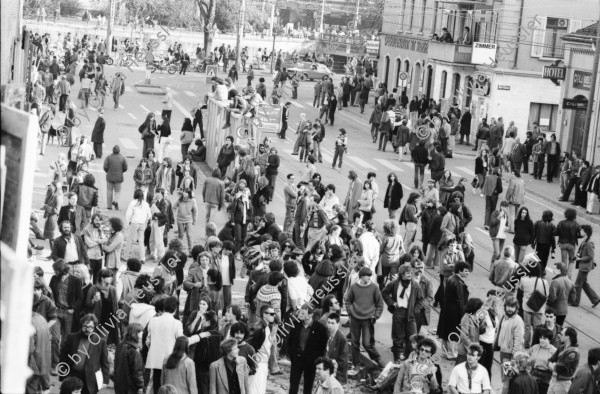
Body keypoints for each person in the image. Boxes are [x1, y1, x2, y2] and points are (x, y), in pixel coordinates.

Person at [344, 267, 386, 371]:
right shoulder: (354, 287)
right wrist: (350, 312)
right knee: (354, 343)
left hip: (367, 320)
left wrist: (375, 315)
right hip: (355, 319)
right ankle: (356, 364)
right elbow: (348, 301)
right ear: (362, 276)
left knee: (367, 343)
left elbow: (380, 304)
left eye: (370, 276)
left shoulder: (374, 287)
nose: (370, 278)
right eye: (368, 276)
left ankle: (378, 358)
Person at [382, 264, 424, 362]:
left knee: (413, 336)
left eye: (410, 273)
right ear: (401, 275)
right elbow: (384, 292)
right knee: (397, 336)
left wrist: (415, 310)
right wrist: (391, 303)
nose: (410, 275)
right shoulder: (394, 284)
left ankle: (408, 357)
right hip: (398, 311)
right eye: (407, 273)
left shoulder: (415, 285)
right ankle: (397, 357)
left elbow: (421, 299)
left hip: (410, 313)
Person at [59, 314, 110, 394]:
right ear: (81, 325)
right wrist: (62, 374)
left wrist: (105, 380)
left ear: (95, 327)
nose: (87, 329)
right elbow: (63, 357)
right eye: (85, 326)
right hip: (73, 375)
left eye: (90, 327)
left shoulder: (100, 342)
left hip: (90, 379)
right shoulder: (71, 337)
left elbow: (105, 362)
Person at [287, 304, 329, 394]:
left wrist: (317, 361)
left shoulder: (320, 329)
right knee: (293, 388)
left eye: (303, 313)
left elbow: (323, 347)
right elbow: (290, 342)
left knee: (308, 388)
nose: (300, 315)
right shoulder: (295, 324)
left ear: (310, 315)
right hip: (296, 360)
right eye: (300, 312)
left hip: (311, 362)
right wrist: (292, 355)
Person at [438, 261, 470, 361]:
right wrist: (463, 315)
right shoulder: (458, 283)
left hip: (447, 310)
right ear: (459, 271)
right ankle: (452, 353)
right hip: (455, 312)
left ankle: (444, 352)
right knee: (453, 333)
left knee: (445, 331)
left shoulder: (451, 278)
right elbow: (460, 301)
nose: (467, 273)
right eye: (465, 271)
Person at [495, 295, 525, 394]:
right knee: (505, 378)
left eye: (512, 306)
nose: (510, 308)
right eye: (508, 306)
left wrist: (514, 358)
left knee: (507, 380)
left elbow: (518, 341)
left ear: (516, 308)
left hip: (510, 355)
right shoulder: (504, 317)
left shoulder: (517, 320)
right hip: (503, 353)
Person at [247, 305, 279, 393]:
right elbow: (249, 345)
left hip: (264, 364)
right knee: (254, 390)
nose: (274, 316)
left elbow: (278, 320)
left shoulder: (267, 327)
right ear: (265, 315)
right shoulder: (258, 327)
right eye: (272, 314)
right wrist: (252, 362)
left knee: (260, 389)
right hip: (258, 364)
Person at [572, 224, 600, 307]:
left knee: (578, 284)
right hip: (584, 266)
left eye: (581, 230)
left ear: (585, 232)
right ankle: (595, 299)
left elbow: (590, 256)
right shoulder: (585, 241)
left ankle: (576, 302)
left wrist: (580, 259)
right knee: (584, 283)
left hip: (585, 267)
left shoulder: (588, 243)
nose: (580, 231)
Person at [547, 327, 580, 394]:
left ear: (567, 337)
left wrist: (553, 366)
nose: (559, 336)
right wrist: (550, 364)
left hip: (563, 383)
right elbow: (550, 360)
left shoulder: (574, 352)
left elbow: (563, 368)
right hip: (553, 380)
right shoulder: (562, 347)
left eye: (562, 334)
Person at [113, 323, 145, 394]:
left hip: (119, 386)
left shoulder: (120, 346)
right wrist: (141, 386)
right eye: (141, 332)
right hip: (131, 387)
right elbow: (137, 371)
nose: (142, 334)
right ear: (136, 333)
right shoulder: (134, 349)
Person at [125, 189, 152, 263]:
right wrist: (146, 220)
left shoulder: (132, 203)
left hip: (134, 223)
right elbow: (149, 215)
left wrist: (127, 222)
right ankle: (142, 258)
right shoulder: (146, 204)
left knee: (129, 239)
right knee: (141, 241)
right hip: (142, 224)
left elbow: (128, 214)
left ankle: (126, 256)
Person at [528, 328, 557, 394]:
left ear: (549, 340)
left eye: (544, 338)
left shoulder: (554, 351)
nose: (541, 340)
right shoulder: (535, 347)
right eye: (540, 338)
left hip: (546, 377)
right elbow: (526, 356)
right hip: (533, 374)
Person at [555, 208, 581, 278]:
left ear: (566, 214)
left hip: (563, 244)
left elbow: (555, 233)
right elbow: (580, 235)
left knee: (564, 260)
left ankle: (564, 274)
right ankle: (569, 275)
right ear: (574, 215)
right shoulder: (576, 224)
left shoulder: (561, 223)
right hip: (572, 244)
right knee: (571, 260)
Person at [324, 313, 348, 384]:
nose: (330, 325)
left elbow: (343, 360)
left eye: (332, 323)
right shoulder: (326, 334)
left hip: (337, 374)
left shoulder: (341, 338)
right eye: (328, 322)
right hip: (326, 370)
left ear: (338, 324)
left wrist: (333, 371)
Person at [103, 145, 128, 211]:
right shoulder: (122, 158)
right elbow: (125, 167)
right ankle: (115, 201)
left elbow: (105, 167)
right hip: (119, 178)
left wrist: (108, 171)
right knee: (117, 191)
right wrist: (121, 171)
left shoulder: (108, 157)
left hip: (109, 177)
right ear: (119, 151)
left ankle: (109, 206)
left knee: (109, 191)